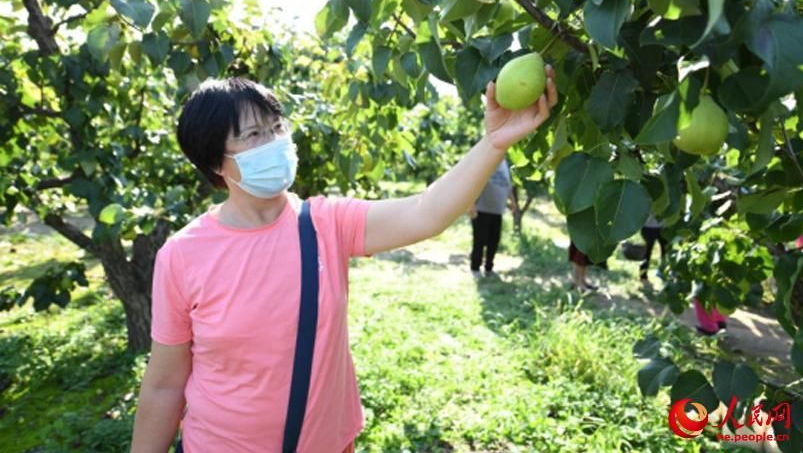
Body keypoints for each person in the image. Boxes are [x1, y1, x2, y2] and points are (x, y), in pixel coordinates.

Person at [130, 70, 557, 453]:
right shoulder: (184, 255)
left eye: (277, 127)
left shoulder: (323, 223)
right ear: (213, 161)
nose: (275, 142)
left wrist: (493, 142)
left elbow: (428, 211)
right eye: (254, 135)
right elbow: (166, 385)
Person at [467, 157, 517, 277]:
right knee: (480, 240)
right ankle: (475, 268)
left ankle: (489, 268)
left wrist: (513, 202)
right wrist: (471, 203)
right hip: (482, 209)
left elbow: (508, 185)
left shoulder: (504, 163)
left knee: (494, 240)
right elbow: (474, 182)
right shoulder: (485, 160)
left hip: (497, 210)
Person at [639, 213, 668, 285]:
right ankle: (643, 276)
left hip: (664, 226)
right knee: (646, 253)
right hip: (649, 226)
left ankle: (664, 273)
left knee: (666, 252)